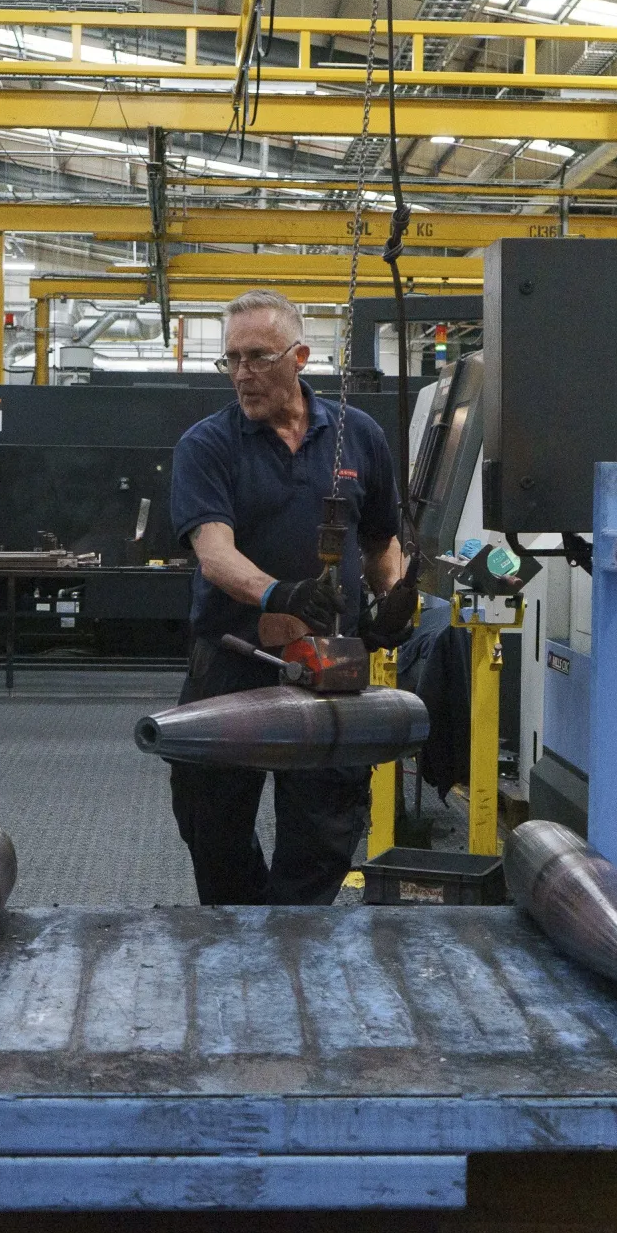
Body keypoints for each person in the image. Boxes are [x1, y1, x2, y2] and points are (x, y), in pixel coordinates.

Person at [166, 289, 419, 906]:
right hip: (233, 659)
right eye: (232, 359)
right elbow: (215, 553)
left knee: (326, 826)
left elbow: (382, 539)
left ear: (300, 356)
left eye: (257, 357)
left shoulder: (357, 436)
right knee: (211, 817)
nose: (242, 374)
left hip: (331, 664)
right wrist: (283, 593)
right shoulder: (208, 445)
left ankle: (294, 939)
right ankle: (239, 928)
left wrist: (392, 599)